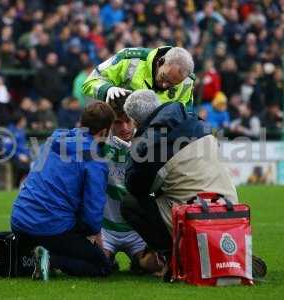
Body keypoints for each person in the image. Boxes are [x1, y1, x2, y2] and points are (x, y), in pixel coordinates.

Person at [121, 90, 266, 279]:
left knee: (131, 204)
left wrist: (133, 150)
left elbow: (135, 187)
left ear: (135, 121)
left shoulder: (148, 145)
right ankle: (225, 254)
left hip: (196, 216)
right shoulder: (194, 119)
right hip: (229, 210)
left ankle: (176, 257)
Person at [10, 101, 115, 280]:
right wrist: (94, 242)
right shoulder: (94, 159)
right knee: (102, 265)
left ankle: (33, 256)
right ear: (104, 131)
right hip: (51, 227)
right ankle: (51, 260)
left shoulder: (54, 139)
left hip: (20, 221)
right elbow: (92, 216)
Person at [101, 96, 163, 274]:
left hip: (137, 230)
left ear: (135, 120)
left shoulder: (148, 144)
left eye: (128, 121)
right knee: (97, 267)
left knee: (155, 267)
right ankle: (107, 261)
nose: (125, 128)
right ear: (109, 124)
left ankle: (139, 263)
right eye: (118, 123)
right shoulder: (99, 146)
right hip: (106, 228)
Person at [82, 46, 195, 107]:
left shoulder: (187, 82)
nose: (165, 85)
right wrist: (107, 89)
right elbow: (89, 82)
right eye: (164, 77)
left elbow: (186, 114)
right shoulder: (129, 59)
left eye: (172, 84)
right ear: (160, 61)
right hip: (118, 128)